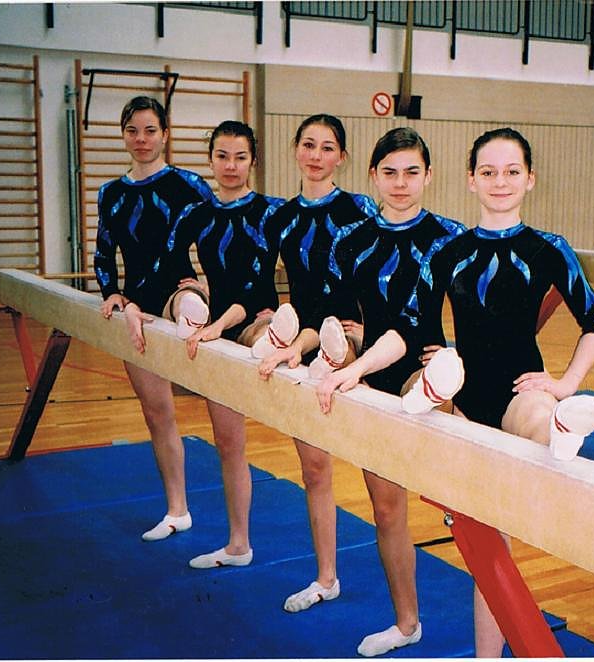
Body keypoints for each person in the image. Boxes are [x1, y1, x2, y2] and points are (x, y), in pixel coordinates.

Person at [409, 127, 594, 656]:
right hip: (466, 402)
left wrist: (565, 382)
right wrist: (439, 370)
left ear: (530, 179)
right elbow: (422, 326)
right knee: (488, 543)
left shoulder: (549, 249)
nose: (501, 182)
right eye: (489, 172)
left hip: (523, 389)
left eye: (512, 171)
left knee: (539, 413)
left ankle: (561, 427)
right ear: (471, 181)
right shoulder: (446, 253)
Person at [314, 127, 466, 656]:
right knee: (386, 510)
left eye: (412, 172)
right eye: (390, 172)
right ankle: (407, 624)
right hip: (374, 374)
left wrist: (464, 351)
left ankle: (438, 399)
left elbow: (497, 311)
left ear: (428, 175)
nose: (400, 184)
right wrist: (347, 338)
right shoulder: (351, 241)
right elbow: (338, 313)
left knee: (466, 500)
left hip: (420, 373)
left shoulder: (450, 237)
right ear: (373, 175)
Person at [255, 114, 377, 613]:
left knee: (382, 475)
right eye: (308, 144)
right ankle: (327, 577)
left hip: (357, 345)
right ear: (295, 150)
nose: (317, 154)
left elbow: (383, 273)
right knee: (314, 467)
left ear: (342, 157)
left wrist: (369, 333)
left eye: (328, 147)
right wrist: (267, 314)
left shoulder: (361, 208)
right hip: (305, 340)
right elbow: (259, 277)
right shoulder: (281, 218)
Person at [160, 120, 285, 568]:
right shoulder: (198, 213)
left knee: (261, 335)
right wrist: (189, 287)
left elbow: (256, 281)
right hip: (220, 329)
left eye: (240, 157)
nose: (231, 166)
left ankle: (279, 337)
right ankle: (238, 545)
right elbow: (169, 257)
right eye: (222, 156)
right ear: (210, 159)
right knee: (229, 445)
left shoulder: (271, 212)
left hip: (256, 318)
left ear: (254, 160)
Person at [94, 95, 213, 542]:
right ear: (123, 136)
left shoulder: (188, 184)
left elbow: (222, 235)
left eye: (149, 130)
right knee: (158, 412)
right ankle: (177, 509)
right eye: (132, 131)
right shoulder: (113, 193)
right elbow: (105, 253)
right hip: (137, 306)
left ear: (165, 133)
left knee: (188, 304)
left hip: (178, 291)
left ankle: (194, 314)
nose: (141, 140)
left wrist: (212, 286)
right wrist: (114, 295)